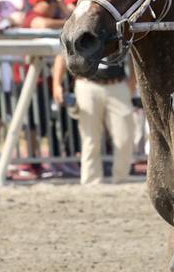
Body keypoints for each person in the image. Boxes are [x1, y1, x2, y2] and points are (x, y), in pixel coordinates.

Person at [52, 53, 136, 184]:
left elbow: (133, 52)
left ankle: (122, 178)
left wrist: (133, 81)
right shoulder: (81, 31)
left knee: (125, 137)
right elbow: (63, 54)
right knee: (90, 139)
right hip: (87, 84)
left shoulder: (117, 31)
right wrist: (56, 84)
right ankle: (91, 181)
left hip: (117, 84)